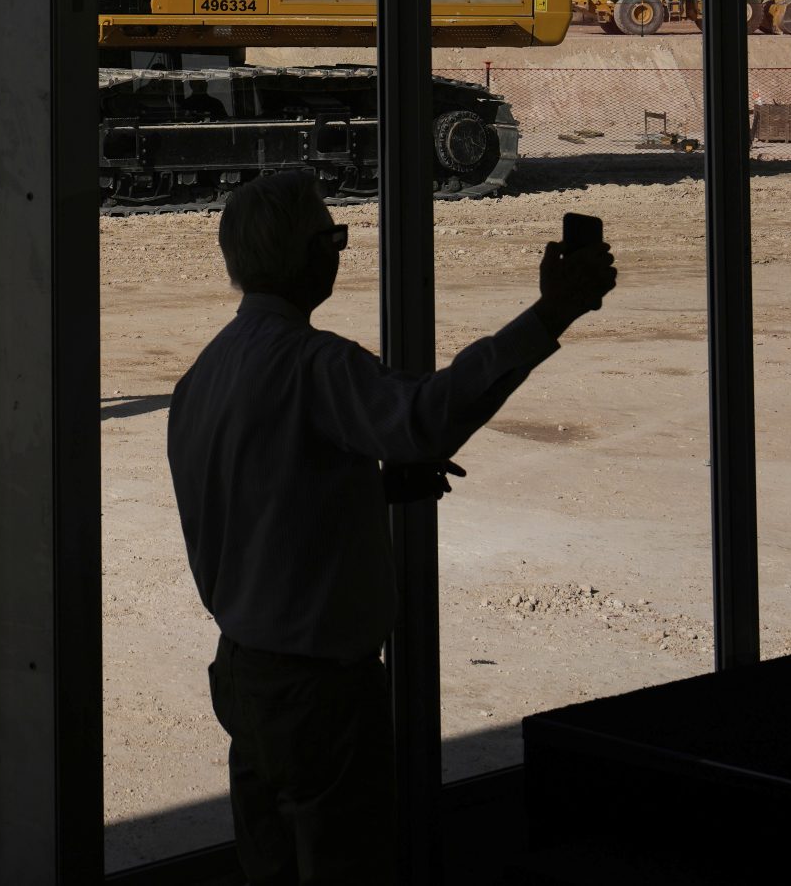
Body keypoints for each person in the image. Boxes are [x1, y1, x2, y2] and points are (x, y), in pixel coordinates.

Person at [166, 171, 617, 885]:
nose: (339, 253)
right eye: (334, 238)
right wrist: (551, 313)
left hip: (246, 677)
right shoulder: (316, 365)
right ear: (308, 254)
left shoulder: (202, 378)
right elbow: (427, 418)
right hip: (322, 697)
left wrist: (364, 489)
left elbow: (259, 505)